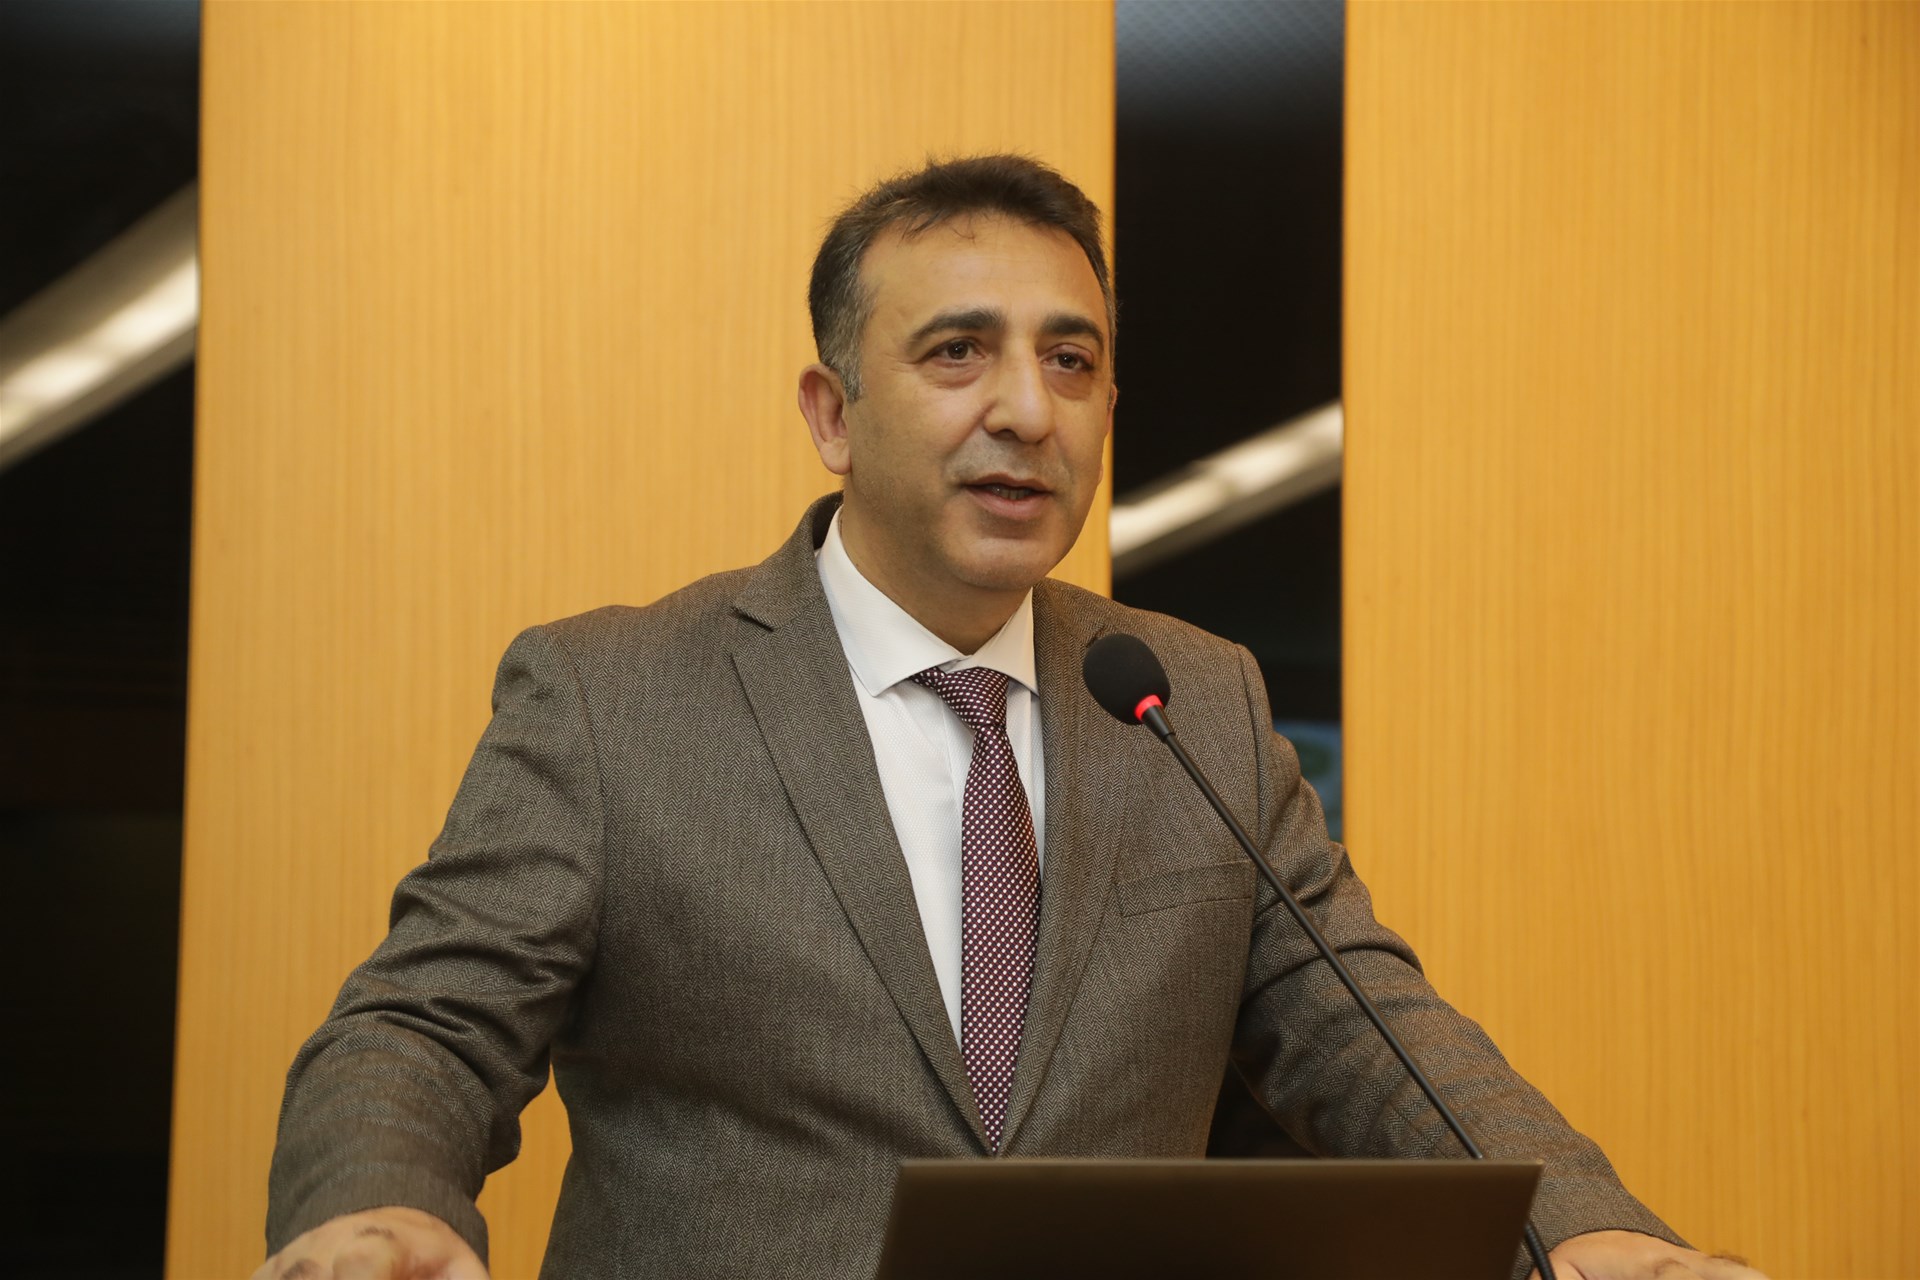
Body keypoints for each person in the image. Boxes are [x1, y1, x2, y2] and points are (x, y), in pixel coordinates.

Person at [257, 155, 1763, 1280]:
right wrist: (377, 1205)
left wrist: (1588, 1228)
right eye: (956, 351)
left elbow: (1369, 1029)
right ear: (832, 412)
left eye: (1072, 360)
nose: (1028, 411)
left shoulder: (1192, 700)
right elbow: (425, 1024)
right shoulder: (615, 694)